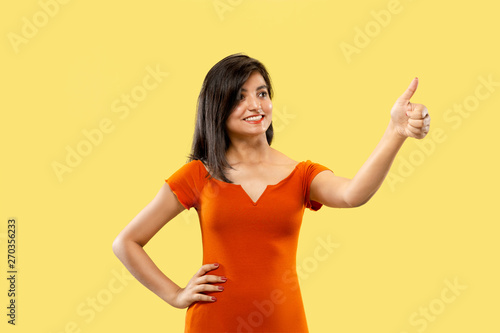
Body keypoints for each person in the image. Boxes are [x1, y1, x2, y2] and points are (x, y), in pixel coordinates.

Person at [112, 53, 430, 332]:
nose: (255, 105)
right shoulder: (198, 175)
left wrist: (395, 132)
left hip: (284, 323)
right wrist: (175, 294)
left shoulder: (301, 174)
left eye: (262, 93)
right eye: (240, 96)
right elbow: (126, 242)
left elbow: (352, 194)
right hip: (213, 324)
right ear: (217, 107)